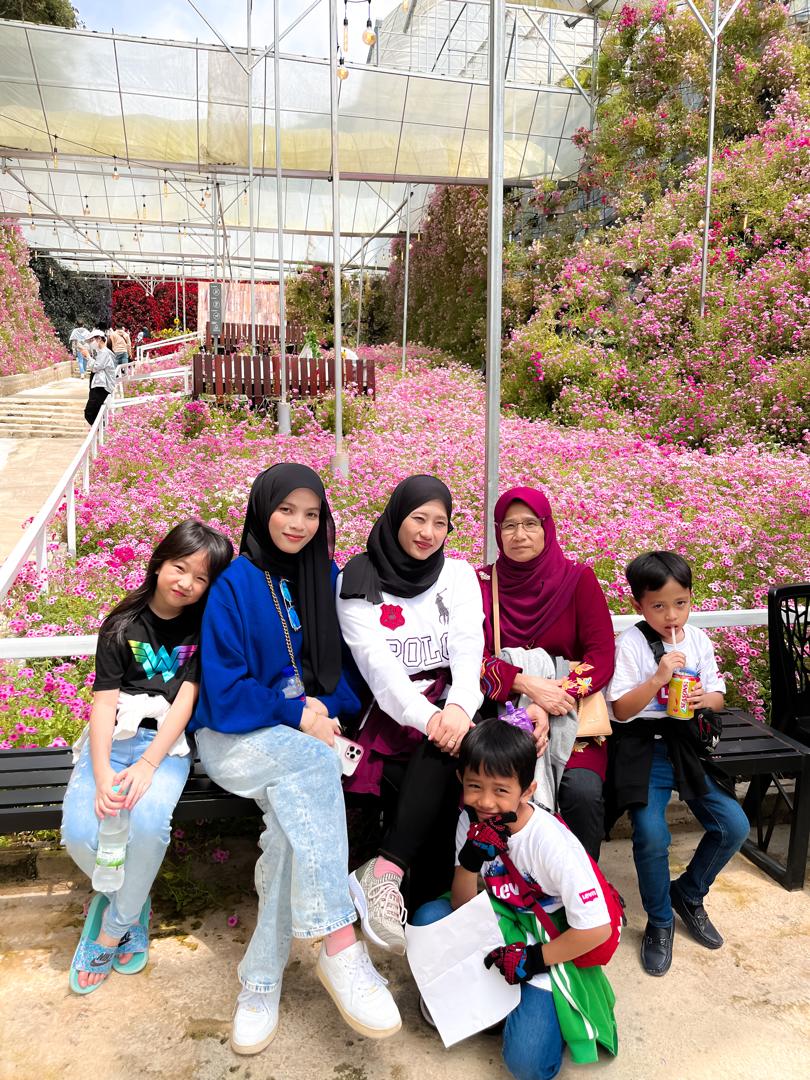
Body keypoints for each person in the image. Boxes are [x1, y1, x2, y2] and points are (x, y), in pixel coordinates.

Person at [191, 464, 401, 1056]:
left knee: (289, 833)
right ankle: (339, 942)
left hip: (304, 740)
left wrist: (321, 707)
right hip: (235, 740)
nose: (298, 524)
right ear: (263, 510)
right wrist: (296, 714)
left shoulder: (324, 577)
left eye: (311, 513)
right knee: (312, 767)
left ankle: (259, 983)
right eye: (286, 510)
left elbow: (350, 676)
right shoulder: (233, 585)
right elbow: (224, 691)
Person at [61, 520, 234, 994]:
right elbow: (103, 704)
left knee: (150, 826)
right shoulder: (121, 625)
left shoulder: (203, 628)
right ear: (159, 563)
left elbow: (185, 702)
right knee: (80, 835)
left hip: (166, 747)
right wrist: (102, 773)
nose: (187, 583)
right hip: (112, 740)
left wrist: (149, 763)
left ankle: (114, 927)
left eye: (201, 578)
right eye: (180, 568)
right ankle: (132, 902)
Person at [412, 720, 617, 1080]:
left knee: (527, 1064)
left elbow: (597, 928)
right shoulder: (470, 821)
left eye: (501, 790)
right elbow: (462, 907)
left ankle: (530, 1008)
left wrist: (533, 959)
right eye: (475, 786)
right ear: (461, 779)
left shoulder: (549, 842)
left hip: (550, 938)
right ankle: (492, 1004)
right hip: (505, 918)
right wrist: (469, 863)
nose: (486, 801)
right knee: (430, 918)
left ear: (527, 790)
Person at [337, 475, 485, 954]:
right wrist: (433, 720)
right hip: (393, 713)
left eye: (440, 523)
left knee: (453, 762)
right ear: (396, 517)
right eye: (419, 519)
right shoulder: (357, 580)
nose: (428, 532)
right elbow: (379, 669)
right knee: (442, 765)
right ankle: (424, 913)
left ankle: (389, 875)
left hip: (455, 702)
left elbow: (469, 648)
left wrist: (458, 707)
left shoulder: (458, 575)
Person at [607, 551, 749, 977]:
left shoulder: (698, 640)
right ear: (639, 605)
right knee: (651, 835)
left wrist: (706, 698)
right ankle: (660, 920)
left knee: (733, 826)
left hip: (685, 745)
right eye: (658, 606)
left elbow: (718, 695)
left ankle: (688, 892)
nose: (671, 615)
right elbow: (620, 710)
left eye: (680, 603)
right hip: (643, 747)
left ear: (690, 598)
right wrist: (657, 678)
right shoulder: (631, 644)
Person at [478, 487, 616, 861]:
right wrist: (524, 685)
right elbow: (473, 658)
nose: (519, 535)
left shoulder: (578, 580)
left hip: (571, 715)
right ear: (497, 532)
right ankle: (511, 880)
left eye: (530, 524)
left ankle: (581, 881)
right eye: (509, 526)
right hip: (503, 715)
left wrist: (552, 698)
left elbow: (601, 657)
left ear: (547, 527)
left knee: (582, 792)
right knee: (494, 790)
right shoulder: (482, 584)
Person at [83, 329, 117, 425]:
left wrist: (88, 356)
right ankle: (102, 429)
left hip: (102, 386)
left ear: (99, 339)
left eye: (92, 340)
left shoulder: (105, 353)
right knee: (95, 412)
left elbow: (95, 367)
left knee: (89, 412)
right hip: (98, 385)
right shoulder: (101, 352)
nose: (91, 343)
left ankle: (101, 429)